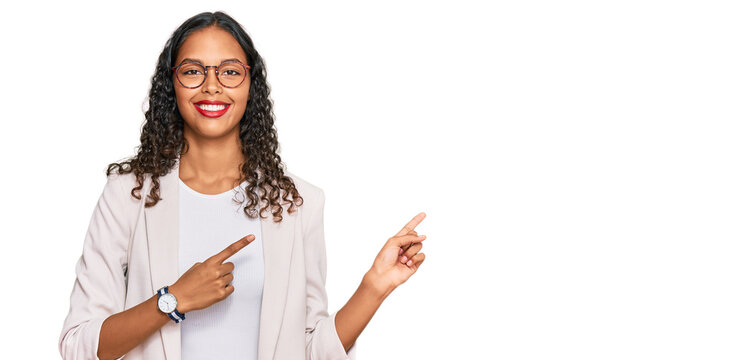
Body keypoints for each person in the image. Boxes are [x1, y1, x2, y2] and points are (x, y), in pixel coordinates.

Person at [58, 11, 428, 360]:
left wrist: (374, 287)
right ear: (172, 83)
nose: (212, 86)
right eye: (193, 71)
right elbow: (79, 345)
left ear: (251, 84)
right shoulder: (128, 195)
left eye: (230, 72)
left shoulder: (297, 204)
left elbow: (310, 350)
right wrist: (172, 301)